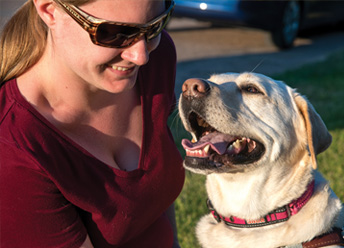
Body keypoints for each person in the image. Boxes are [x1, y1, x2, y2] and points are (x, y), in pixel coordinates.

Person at [0, 0, 185, 247]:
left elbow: (157, 191)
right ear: (49, 11)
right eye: (114, 33)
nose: (140, 56)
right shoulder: (14, 149)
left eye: (155, 26)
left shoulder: (156, 61)